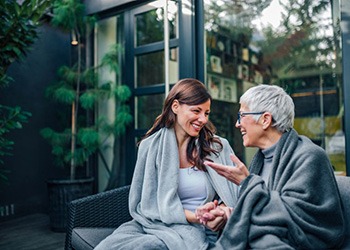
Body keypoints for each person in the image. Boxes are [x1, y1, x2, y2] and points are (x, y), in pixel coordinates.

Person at [95, 78, 239, 250]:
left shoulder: (218, 147)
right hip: (157, 225)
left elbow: (233, 191)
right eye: (196, 111)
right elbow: (147, 204)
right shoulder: (151, 146)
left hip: (205, 230)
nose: (202, 119)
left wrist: (220, 212)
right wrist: (197, 216)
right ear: (175, 106)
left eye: (206, 113)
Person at [196, 84, 345, 249]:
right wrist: (227, 214)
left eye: (241, 116)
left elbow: (293, 218)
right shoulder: (260, 159)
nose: (237, 124)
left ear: (265, 120)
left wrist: (247, 183)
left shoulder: (310, 156)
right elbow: (262, 211)